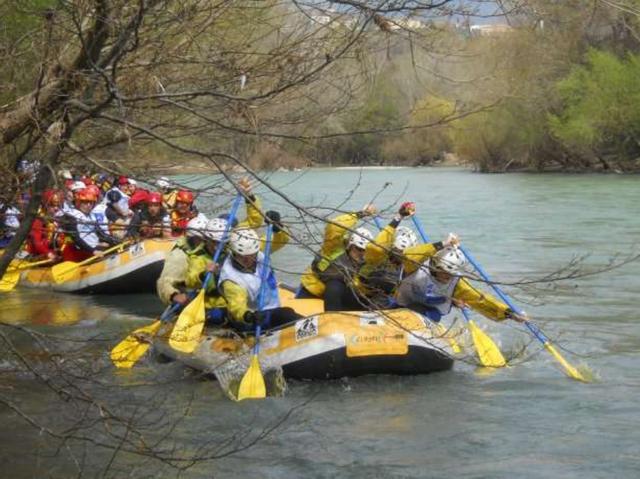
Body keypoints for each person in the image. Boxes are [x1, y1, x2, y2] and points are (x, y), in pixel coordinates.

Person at [396, 245, 528, 323]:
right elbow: (408, 255)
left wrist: (509, 313)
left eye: (452, 274)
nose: (448, 277)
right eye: (445, 272)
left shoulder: (457, 282)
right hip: (402, 302)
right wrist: (441, 244)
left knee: (427, 313)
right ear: (435, 266)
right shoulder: (416, 267)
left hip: (428, 312)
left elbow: (480, 300)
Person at [219, 228, 301, 331]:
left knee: (286, 312)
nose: (249, 260)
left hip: (273, 308)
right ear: (234, 254)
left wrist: (278, 229)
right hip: (253, 319)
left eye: (252, 256)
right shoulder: (231, 280)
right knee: (285, 314)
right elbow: (236, 307)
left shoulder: (257, 250)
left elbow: (281, 240)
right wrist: (248, 316)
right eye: (244, 257)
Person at [297, 204, 377, 311]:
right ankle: (331, 319)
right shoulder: (333, 248)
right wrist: (360, 214)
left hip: (338, 295)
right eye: (358, 249)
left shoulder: (362, 264)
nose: (361, 253)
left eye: (364, 250)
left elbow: (358, 286)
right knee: (335, 285)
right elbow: (334, 227)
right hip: (314, 290)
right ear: (350, 245)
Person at [157, 215, 209, 306]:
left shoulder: (210, 251)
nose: (204, 242)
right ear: (192, 238)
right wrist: (174, 295)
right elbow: (164, 282)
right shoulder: (179, 256)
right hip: (188, 298)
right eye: (200, 239)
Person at [59, 188, 119, 262]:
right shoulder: (70, 216)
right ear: (78, 202)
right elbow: (76, 239)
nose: (89, 205)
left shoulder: (90, 215)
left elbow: (101, 234)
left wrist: (116, 241)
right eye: (85, 202)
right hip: (81, 252)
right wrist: (93, 251)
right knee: (109, 251)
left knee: (116, 246)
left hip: (94, 248)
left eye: (91, 203)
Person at [25, 189, 64, 260]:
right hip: (36, 255)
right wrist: (48, 253)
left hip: (52, 253)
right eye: (52, 205)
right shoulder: (38, 220)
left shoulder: (55, 219)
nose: (56, 208)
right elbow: (37, 242)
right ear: (45, 205)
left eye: (58, 206)